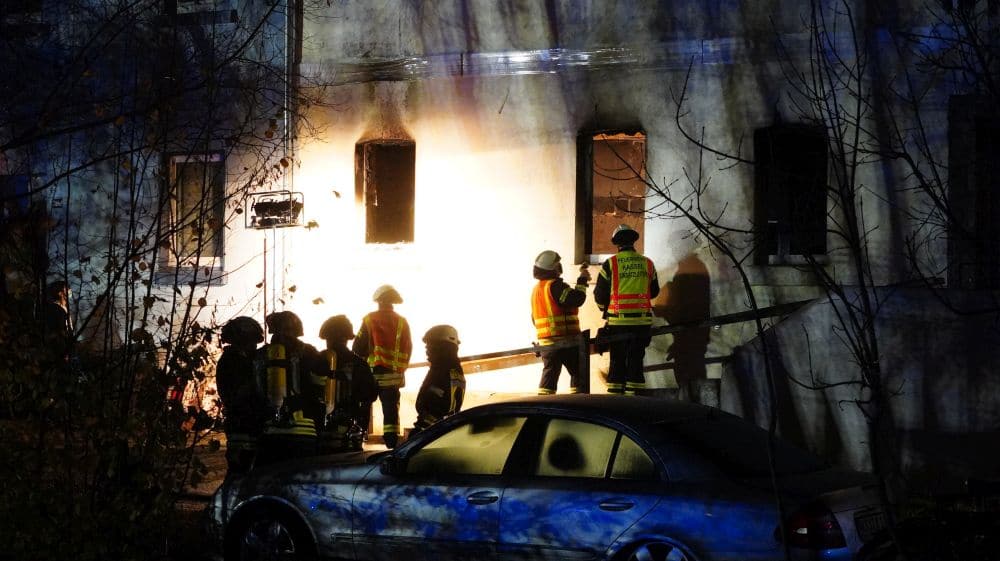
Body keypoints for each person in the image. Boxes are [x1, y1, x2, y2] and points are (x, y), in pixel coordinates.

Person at [594, 224, 659, 395]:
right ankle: (634, 400)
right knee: (636, 361)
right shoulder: (647, 263)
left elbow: (599, 295)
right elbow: (654, 292)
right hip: (642, 322)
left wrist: (605, 310)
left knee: (617, 361)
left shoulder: (611, 264)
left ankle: (615, 400)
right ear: (633, 241)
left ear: (617, 243)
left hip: (618, 322)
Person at [254, 310, 323, 465]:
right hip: (304, 433)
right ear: (297, 330)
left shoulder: (260, 354)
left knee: (271, 477)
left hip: (270, 432)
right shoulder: (309, 352)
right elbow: (322, 386)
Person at [352, 285, 412, 449]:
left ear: (378, 301)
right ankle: (391, 444)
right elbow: (408, 348)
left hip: (372, 375)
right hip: (394, 376)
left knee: (364, 406)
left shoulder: (370, 319)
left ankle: (359, 438)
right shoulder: (402, 322)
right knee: (391, 411)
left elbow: (357, 348)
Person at [530, 250, 590, 395]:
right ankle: (578, 403)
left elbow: (534, 317)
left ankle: (543, 404)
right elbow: (577, 299)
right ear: (554, 268)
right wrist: (582, 280)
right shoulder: (556, 286)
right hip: (565, 341)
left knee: (549, 376)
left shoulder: (537, 289)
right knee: (578, 374)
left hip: (547, 343)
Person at [317, 314, 377, 452]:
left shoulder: (318, 360)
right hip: (350, 434)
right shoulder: (359, 364)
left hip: (320, 433)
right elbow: (370, 395)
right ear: (347, 338)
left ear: (327, 338)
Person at [215, 316, 267, 473]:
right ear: (242, 340)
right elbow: (243, 392)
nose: (255, 347)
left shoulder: (237, 359)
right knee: (241, 475)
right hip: (242, 428)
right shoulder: (233, 361)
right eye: (252, 342)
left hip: (247, 426)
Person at [412, 325, 465, 434]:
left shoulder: (441, 372)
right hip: (445, 430)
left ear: (441, 347)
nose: (427, 352)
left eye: (430, 346)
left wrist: (418, 433)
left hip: (431, 431)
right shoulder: (455, 371)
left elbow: (434, 408)